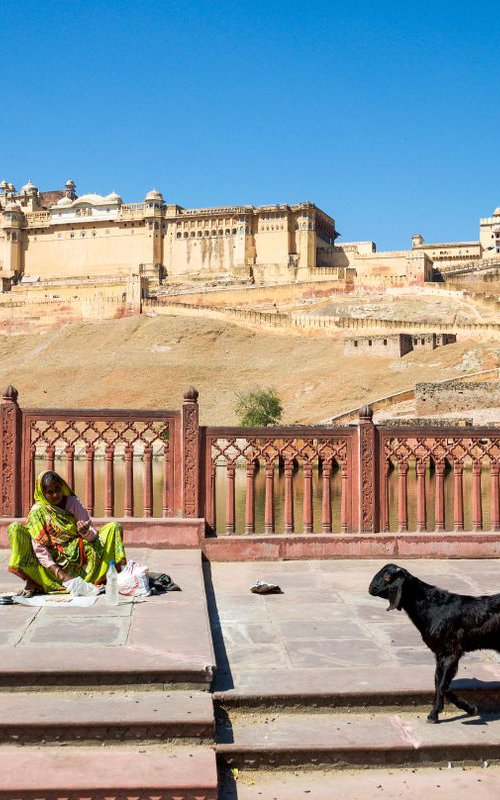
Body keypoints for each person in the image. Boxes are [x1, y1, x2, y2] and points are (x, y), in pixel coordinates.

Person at [8, 470, 126, 597]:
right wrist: (60, 574)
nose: (55, 495)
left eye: (57, 489)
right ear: (43, 493)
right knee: (15, 529)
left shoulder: (73, 502)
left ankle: (100, 578)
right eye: (50, 492)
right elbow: (40, 549)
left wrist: (86, 532)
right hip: (51, 561)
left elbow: (92, 533)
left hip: (79, 553)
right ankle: (35, 581)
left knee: (114, 527)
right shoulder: (38, 512)